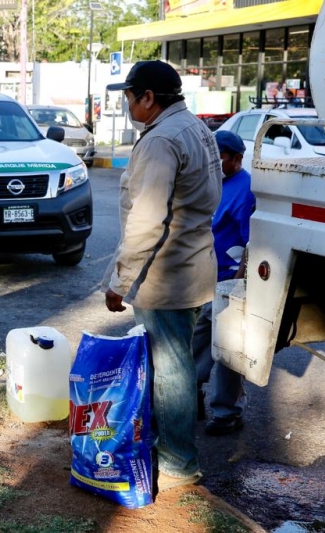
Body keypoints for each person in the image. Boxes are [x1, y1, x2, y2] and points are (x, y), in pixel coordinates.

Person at [103, 60, 223, 491]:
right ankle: (172, 452)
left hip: (165, 275)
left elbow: (146, 221)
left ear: (148, 98)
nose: (127, 104)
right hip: (193, 268)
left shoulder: (161, 141)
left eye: (130, 96)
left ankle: (177, 464)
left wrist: (119, 282)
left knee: (171, 372)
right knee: (178, 365)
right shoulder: (195, 128)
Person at [193, 131, 255, 436]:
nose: (213, 162)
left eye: (220, 157)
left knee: (228, 350)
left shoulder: (245, 190)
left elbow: (251, 242)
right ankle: (192, 397)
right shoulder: (213, 184)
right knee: (197, 343)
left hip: (229, 282)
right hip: (204, 281)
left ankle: (227, 412)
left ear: (237, 159)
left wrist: (238, 279)